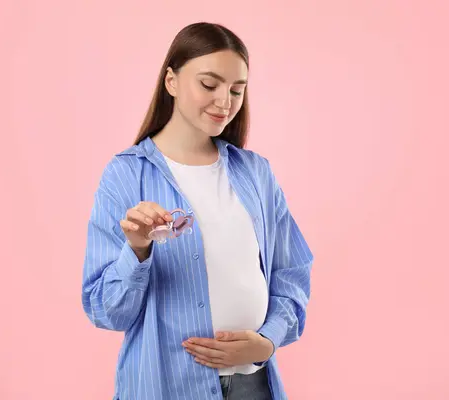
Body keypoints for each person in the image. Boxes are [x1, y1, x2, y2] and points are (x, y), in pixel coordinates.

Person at [82, 21, 314, 400]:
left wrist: (267, 342)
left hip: (252, 387)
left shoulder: (255, 173)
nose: (225, 101)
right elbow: (107, 312)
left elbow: (291, 274)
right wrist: (137, 251)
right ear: (171, 81)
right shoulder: (126, 174)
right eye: (209, 85)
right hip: (165, 386)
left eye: (237, 90)